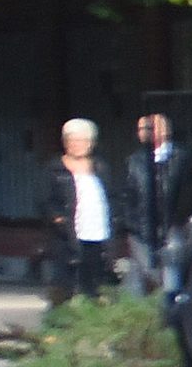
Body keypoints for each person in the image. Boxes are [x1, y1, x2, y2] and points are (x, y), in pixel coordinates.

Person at [51, 117, 114, 301]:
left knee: (95, 280)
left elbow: (112, 196)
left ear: (91, 143)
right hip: (68, 234)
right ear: (65, 143)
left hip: (98, 231)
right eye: (72, 140)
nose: (77, 145)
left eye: (82, 140)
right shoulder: (55, 169)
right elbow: (46, 201)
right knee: (68, 281)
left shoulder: (101, 167)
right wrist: (58, 219)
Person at [121, 112, 177, 283]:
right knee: (147, 278)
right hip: (142, 230)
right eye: (139, 129)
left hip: (174, 229)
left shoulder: (180, 158)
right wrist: (131, 225)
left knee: (172, 277)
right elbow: (128, 196)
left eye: (147, 128)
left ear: (164, 130)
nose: (142, 132)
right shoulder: (134, 161)